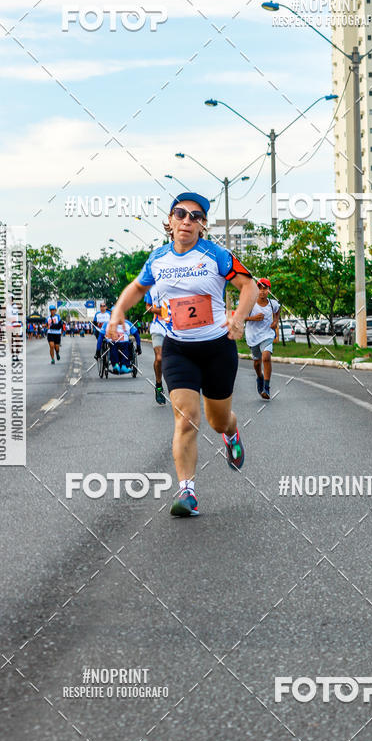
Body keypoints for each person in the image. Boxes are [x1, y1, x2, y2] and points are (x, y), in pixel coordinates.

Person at [108, 192, 259, 517]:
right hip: (179, 350)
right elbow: (137, 287)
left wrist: (239, 319)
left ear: (203, 224)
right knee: (187, 419)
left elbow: (250, 286)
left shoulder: (216, 254)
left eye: (195, 216)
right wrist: (118, 310)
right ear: (170, 221)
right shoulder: (158, 259)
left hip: (217, 348)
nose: (187, 221)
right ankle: (187, 492)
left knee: (218, 420)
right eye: (181, 214)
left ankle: (231, 433)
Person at [244, 278, 280, 399]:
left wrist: (275, 321)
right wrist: (252, 318)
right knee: (257, 363)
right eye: (260, 288)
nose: (262, 291)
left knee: (266, 357)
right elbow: (241, 317)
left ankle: (266, 388)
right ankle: (259, 377)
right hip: (253, 336)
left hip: (267, 335)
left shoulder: (272, 304)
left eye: (265, 288)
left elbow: (277, 311)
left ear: (269, 290)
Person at [144, 287, 167, 405]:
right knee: (159, 358)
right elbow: (148, 306)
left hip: (177, 326)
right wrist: (159, 311)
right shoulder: (152, 286)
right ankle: (158, 385)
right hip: (158, 326)